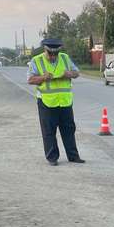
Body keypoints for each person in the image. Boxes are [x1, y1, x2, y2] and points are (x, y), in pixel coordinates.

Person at [27, 38, 85, 166]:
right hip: (47, 102)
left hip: (65, 102)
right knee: (49, 131)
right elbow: (30, 80)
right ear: (45, 50)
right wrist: (43, 77)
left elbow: (76, 73)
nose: (53, 57)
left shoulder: (65, 58)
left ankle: (73, 156)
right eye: (50, 54)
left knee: (69, 130)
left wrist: (69, 73)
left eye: (55, 54)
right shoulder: (36, 60)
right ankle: (52, 157)